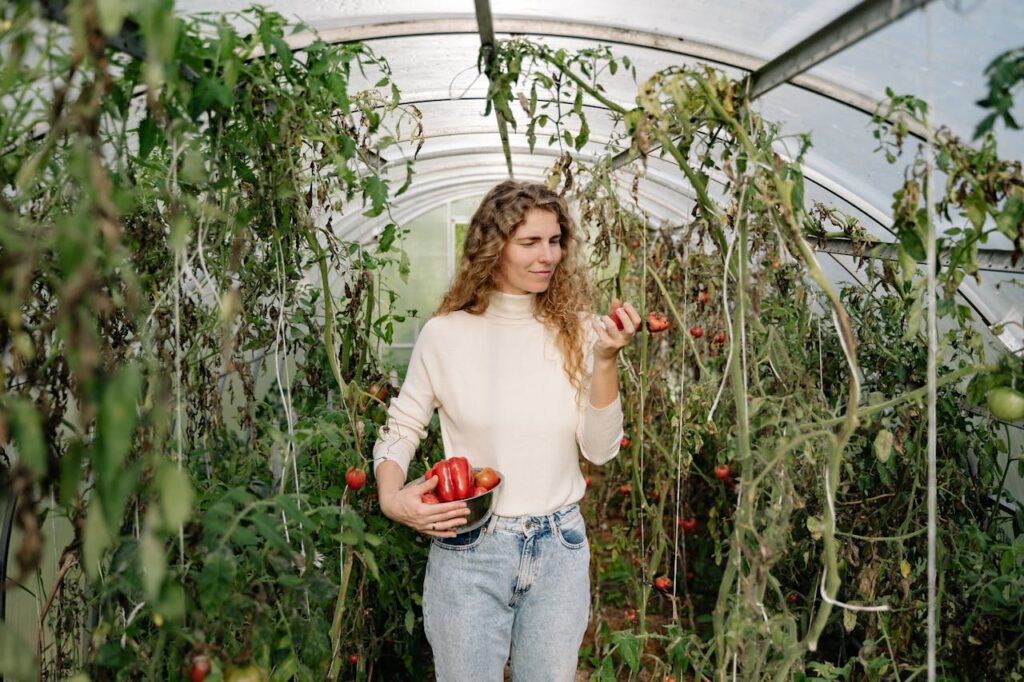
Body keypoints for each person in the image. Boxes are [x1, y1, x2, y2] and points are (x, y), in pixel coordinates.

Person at [372, 179, 641, 681]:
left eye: (555, 240)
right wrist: (391, 496)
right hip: (471, 547)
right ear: (493, 247)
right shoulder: (445, 335)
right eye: (530, 242)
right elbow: (402, 425)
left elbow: (601, 451)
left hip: (559, 548)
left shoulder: (580, 332)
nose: (548, 256)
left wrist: (605, 360)